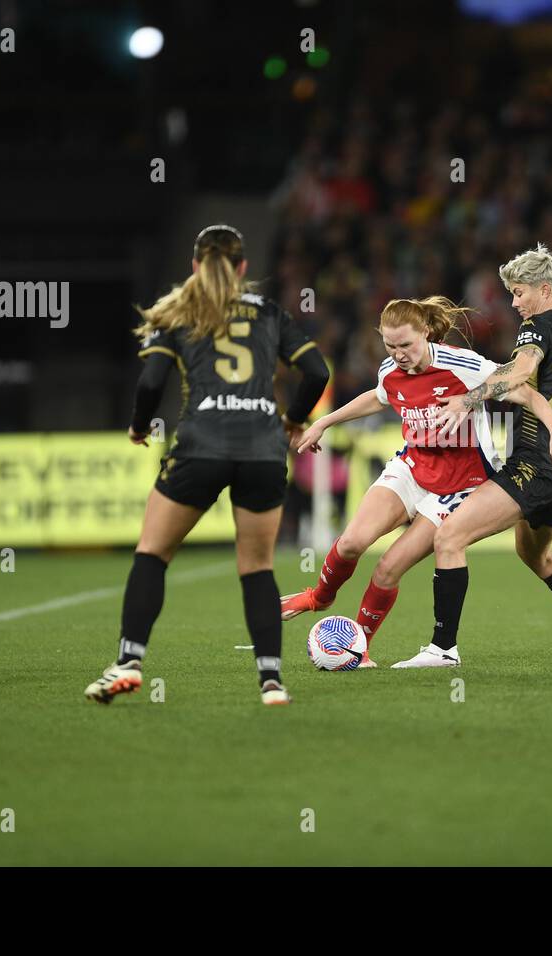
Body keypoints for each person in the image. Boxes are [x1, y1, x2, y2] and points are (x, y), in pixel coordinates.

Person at [83, 225, 329, 706]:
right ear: (242, 268)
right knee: (257, 567)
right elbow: (317, 370)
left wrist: (138, 426)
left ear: (195, 266)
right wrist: (293, 420)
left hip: (201, 445)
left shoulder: (178, 313)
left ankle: (129, 661)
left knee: (153, 553)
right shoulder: (270, 312)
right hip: (261, 448)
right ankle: (271, 682)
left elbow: (151, 383)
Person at [281, 296, 552, 666]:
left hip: (460, 484)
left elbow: (523, 390)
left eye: (406, 345)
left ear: (426, 334)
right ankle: (320, 596)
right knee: (351, 542)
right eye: (390, 345)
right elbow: (379, 396)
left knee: (388, 567)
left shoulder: (463, 365)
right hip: (413, 467)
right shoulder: (390, 368)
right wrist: (323, 421)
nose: (398, 354)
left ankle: (357, 647)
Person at [394, 244, 552, 668]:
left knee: (449, 536)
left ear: (544, 289)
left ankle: (442, 650)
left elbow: (521, 372)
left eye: (519, 292)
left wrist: (468, 400)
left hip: (536, 463)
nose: (514, 302)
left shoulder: (536, 328)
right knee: (534, 554)